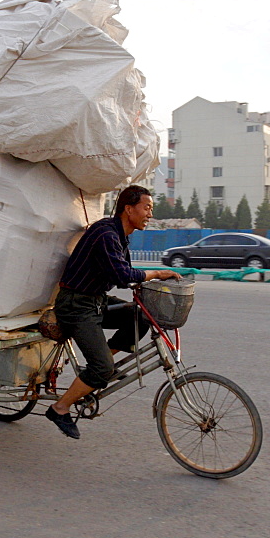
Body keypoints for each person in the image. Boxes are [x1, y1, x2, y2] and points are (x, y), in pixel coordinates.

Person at [46, 184, 181, 439]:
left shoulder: (121, 235)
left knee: (139, 316)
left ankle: (101, 366)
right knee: (101, 369)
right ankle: (59, 408)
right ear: (129, 209)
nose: (150, 213)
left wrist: (146, 282)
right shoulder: (106, 234)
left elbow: (122, 273)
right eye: (147, 208)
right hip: (76, 305)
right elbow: (121, 275)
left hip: (96, 300)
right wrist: (156, 273)